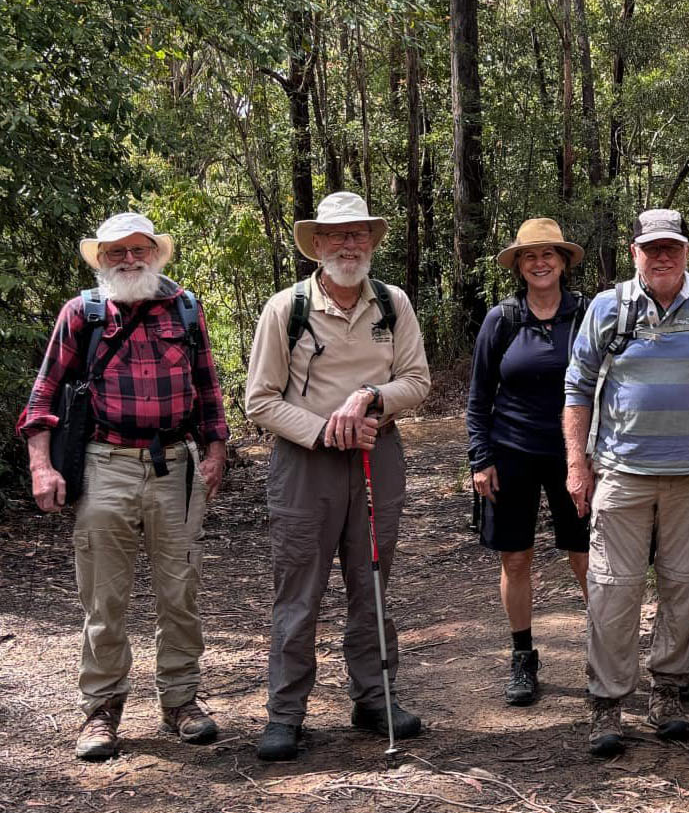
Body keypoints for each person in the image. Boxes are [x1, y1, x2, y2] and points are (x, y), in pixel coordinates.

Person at [18, 214, 229, 761]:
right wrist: (43, 466)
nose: (129, 260)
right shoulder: (82, 314)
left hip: (175, 465)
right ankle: (101, 709)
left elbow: (208, 390)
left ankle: (181, 702)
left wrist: (214, 453)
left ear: (156, 254)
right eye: (117, 252)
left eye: (139, 250)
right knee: (103, 597)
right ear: (102, 260)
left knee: (179, 592)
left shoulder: (186, 308)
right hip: (102, 462)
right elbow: (41, 401)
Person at [245, 192, 431, 762]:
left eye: (358, 235)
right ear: (317, 245)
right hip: (306, 464)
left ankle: (374, 698)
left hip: (379, 456)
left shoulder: (393, 305)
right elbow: (259, 400)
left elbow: (418, 381)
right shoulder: (287, 308)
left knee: (371, 583)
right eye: (336, 236)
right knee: (298, 591)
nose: (348, 245)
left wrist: (372, 398)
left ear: (371, 242)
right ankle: (285, 713)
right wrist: (327, 430)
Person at [563, 209, 689, 759]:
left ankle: (667, 691)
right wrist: (578, 464)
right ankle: (607, 702)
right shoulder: (609, 308)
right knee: (612, 587)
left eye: (672, 247)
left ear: (687, 251)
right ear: (635, 251)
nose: (662, 256)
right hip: (622, 471)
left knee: (685, 583)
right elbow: (577, 387)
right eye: (652, 248)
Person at [467, 218, 590, 708]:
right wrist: (481, 457)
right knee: (515, 556)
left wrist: (592, 454)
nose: (540, 263)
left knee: (584, 555)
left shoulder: (585, 315)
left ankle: (603, 651)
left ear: (562, 262)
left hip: (574, 454)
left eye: (549, 255)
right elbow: (478, 396)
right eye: (529, 256)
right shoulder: (501, 319)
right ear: (518, 265)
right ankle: (522, 656)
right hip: (511, 451)